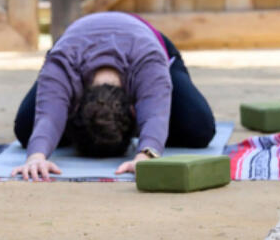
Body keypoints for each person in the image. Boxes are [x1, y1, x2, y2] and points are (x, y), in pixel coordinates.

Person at [12, 11, 216, 180]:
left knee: (199, 130)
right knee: (26, 130)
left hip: (149, 41)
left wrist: (145, 155)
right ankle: (87, 128)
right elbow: (48, 116)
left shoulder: (149, 61)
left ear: (134, 108)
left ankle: (106, 129)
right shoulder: (62, 63)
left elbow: (156, 115)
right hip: (75, 42)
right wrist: (35, 157)